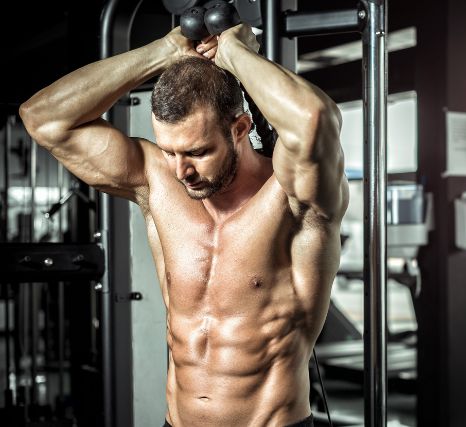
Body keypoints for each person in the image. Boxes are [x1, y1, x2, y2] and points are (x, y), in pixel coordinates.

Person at [19, 23, 348, 427]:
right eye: (170, 151)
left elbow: (315, 119)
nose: (182, 171)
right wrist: (164, 51)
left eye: (197, 152)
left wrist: (235, 54)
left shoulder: (293, 196)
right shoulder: (157, 179)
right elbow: (43, 119)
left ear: (240, 128)